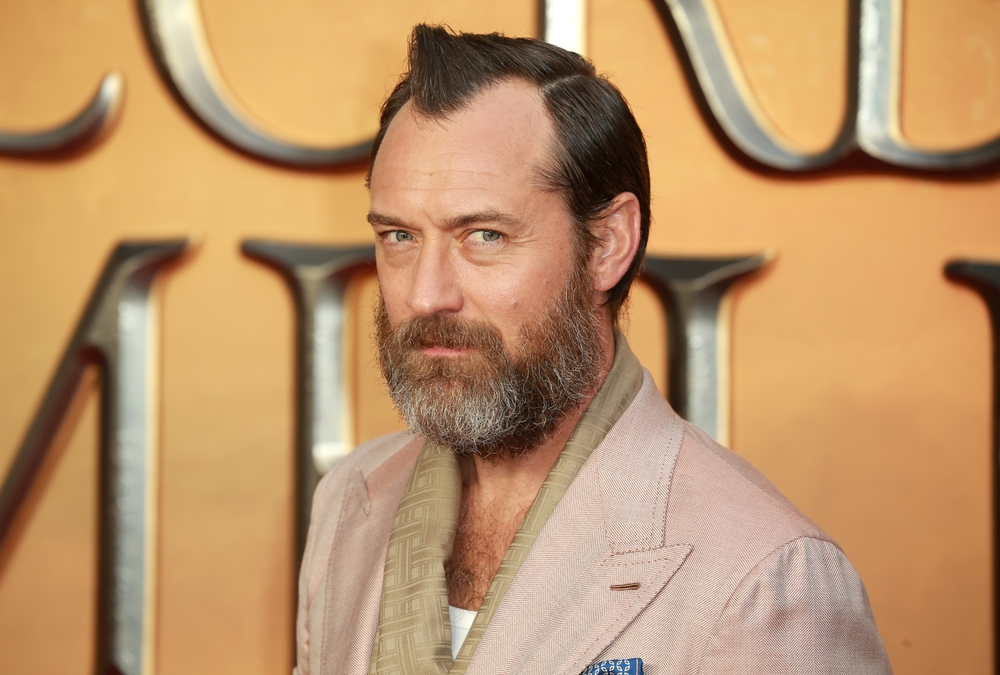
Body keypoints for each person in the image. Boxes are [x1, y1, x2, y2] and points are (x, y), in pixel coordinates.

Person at [294, 24, 891, 675]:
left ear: (607, 244)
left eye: (485, 236)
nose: (425, 295)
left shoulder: (764, 577)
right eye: (400, 237)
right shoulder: (348, 499)